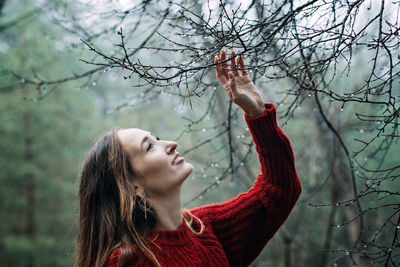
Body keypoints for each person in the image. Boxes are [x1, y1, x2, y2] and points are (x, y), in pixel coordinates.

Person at [72, 49, 302, 267]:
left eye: (157, 138)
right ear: (132, 187)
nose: (170, 144)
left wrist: (258, 113)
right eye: (150, 147)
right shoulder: (128, 261)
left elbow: (278, 191)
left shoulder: (205, 229)